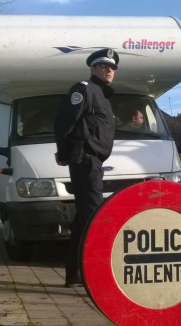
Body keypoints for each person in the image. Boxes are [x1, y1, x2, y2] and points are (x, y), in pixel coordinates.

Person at [54, 48, 119, 288]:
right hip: (85, 159)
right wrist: (64, 154)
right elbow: (63, 122)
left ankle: (76, 273)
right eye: (103, 66)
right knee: (92, 215)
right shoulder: (84, 89)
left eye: (112, 67)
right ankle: (89, 271)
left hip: (94, 161)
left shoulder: (102, 95)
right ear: (93, 68)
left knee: (85, 217)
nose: (109, 70)